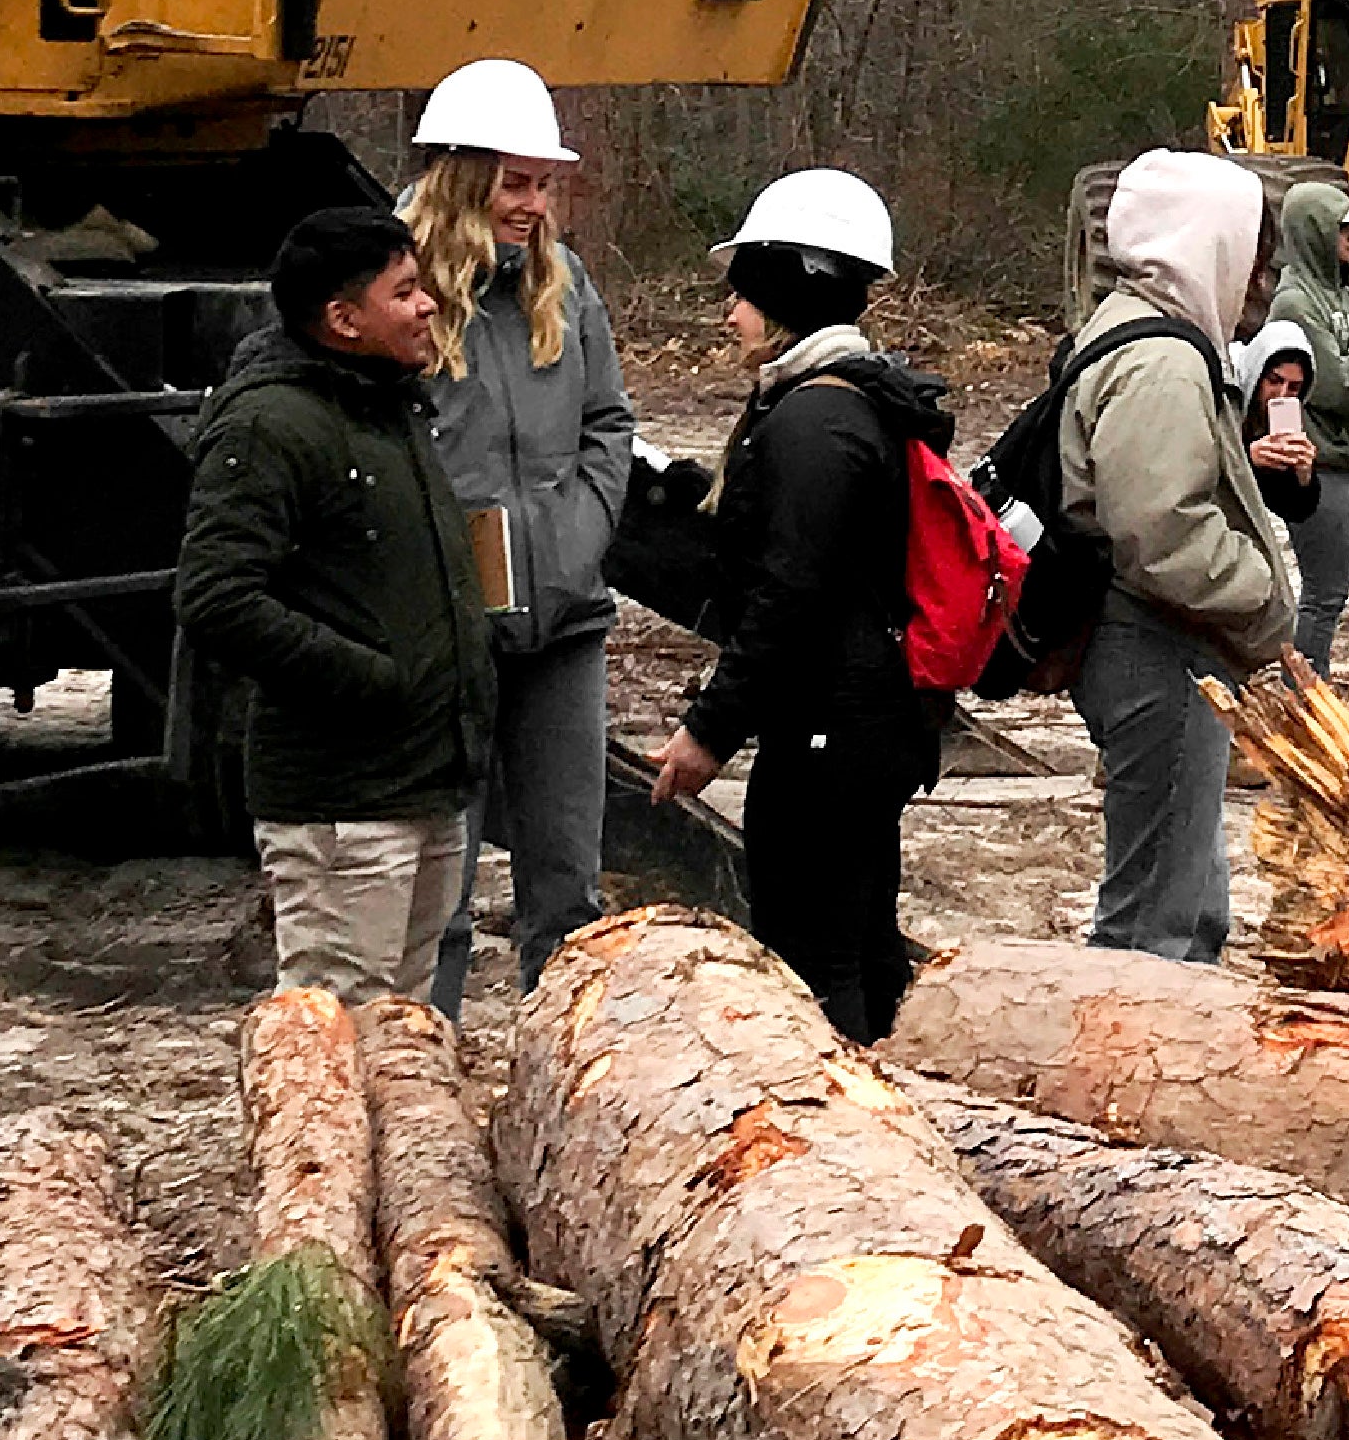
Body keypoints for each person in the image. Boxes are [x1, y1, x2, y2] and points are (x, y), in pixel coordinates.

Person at [167, 202, 501, 997]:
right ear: (343, 319)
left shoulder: (388, 408)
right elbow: (215, 597)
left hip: (424, 782)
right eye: (406, 291)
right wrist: (370, 679)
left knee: (404, 1040)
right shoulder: (269, 424)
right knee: (334, 1038)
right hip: (343, 804)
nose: (428, 307)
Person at [643, 170, 943, 1041]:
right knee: (861, 941)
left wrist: (708, 730)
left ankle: (852, 1132)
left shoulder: (815, 423)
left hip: (831, 729)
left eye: (743, 290)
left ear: (785, 292)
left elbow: (788, 598)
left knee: (817, 959)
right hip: (859, 721)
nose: (728, 312)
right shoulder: (844, 405)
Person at [401, 60, 641, 1021]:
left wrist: (575, 540)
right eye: (514, 182)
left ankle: (565, 1077)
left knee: (567, 887)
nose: (533, 205)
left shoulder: (565, 284)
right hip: (445, 637)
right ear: (461, 177)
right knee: (439, 896)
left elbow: (609, 426)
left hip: (564, 625)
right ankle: (433, 1080)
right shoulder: (399, 290)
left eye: (544, 184)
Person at [1064, 149, 1298, 963]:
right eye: (1253, 257)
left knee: (1185, 897)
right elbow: (1160, 532)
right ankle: (1120, 1066)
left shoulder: (1145, 336)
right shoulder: (1160, 360)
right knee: (1151, 921)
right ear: (1207, 244)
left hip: (1165, 648)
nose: (1261, 283)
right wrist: (1265, 601)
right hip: (1156, 649)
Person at [1257, 178, 1349, 680]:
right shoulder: (1295, 304)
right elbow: (1330, 385)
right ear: (1315, 230)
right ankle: (1304, 695)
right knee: (1323, 593)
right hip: (1320, 462)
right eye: (1345, 228)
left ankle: (1309, 684)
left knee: (1335, 593)